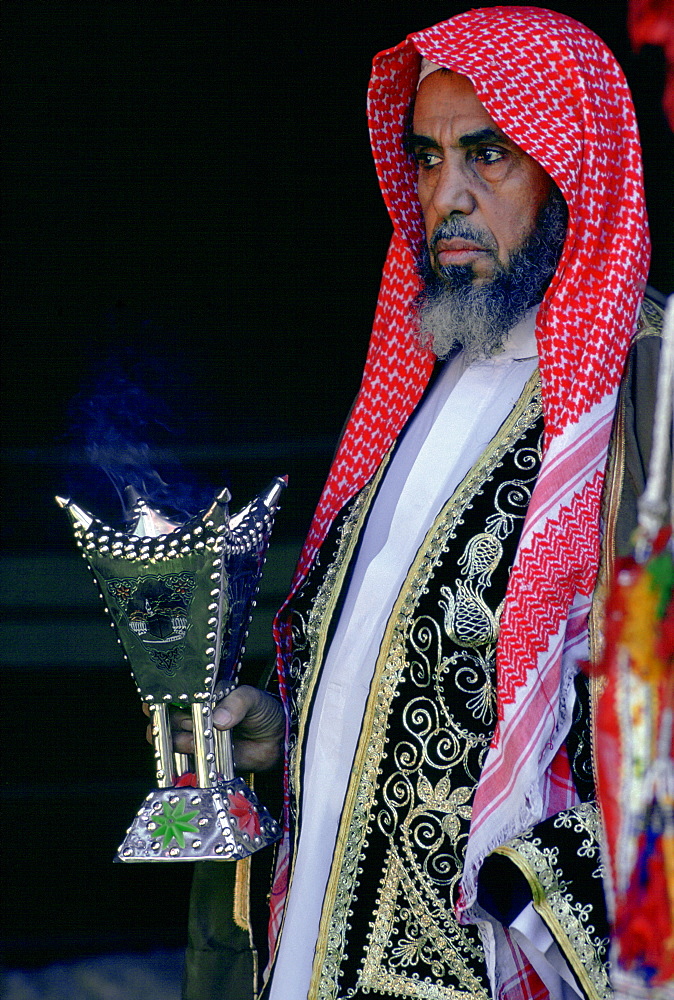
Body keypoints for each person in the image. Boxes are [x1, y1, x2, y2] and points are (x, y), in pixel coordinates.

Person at [179, 8, 666, 999]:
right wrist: (292, 729)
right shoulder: (426, 378)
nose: (445, 194)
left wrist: (530, 896)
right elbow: (410, 666)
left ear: (572, 165)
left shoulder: (648, 400)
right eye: (428, 155)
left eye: (488, 154)